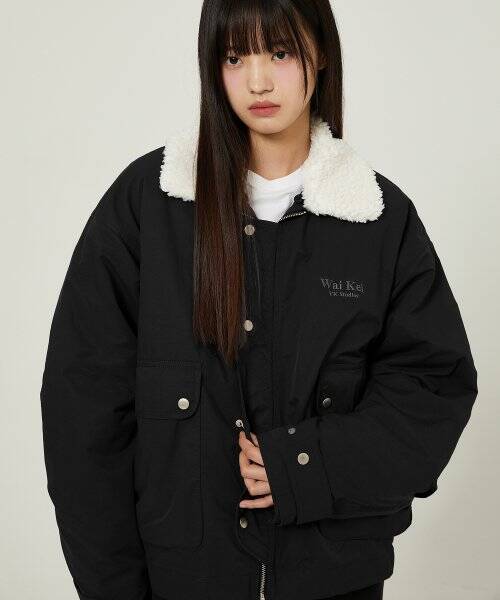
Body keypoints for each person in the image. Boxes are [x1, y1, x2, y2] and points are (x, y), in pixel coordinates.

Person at [39, 1, 478, 599]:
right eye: (234, 56)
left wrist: (306, 464)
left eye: (280, 52)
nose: (258, 81)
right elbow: (83, 415)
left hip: (334, 583)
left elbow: (431, 393)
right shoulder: (148, 209)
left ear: (320, 54)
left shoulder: (378, 222)